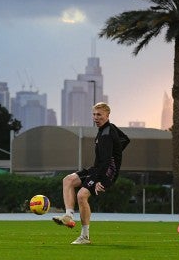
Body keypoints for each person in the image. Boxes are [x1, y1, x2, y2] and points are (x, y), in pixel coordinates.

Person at [52, 102, 129, 245]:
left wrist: (103, 180)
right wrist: (116, 151)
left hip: (106, 172)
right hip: (97, 168)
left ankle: (85, 237)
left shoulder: (106, 134)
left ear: (107, 115)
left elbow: (106, 161)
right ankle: (68, 216)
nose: (96, 117)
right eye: (94, 114)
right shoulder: (109, 129)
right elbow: (125, 139)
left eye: (99, 114)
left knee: (81, 195)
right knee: (68, 180)